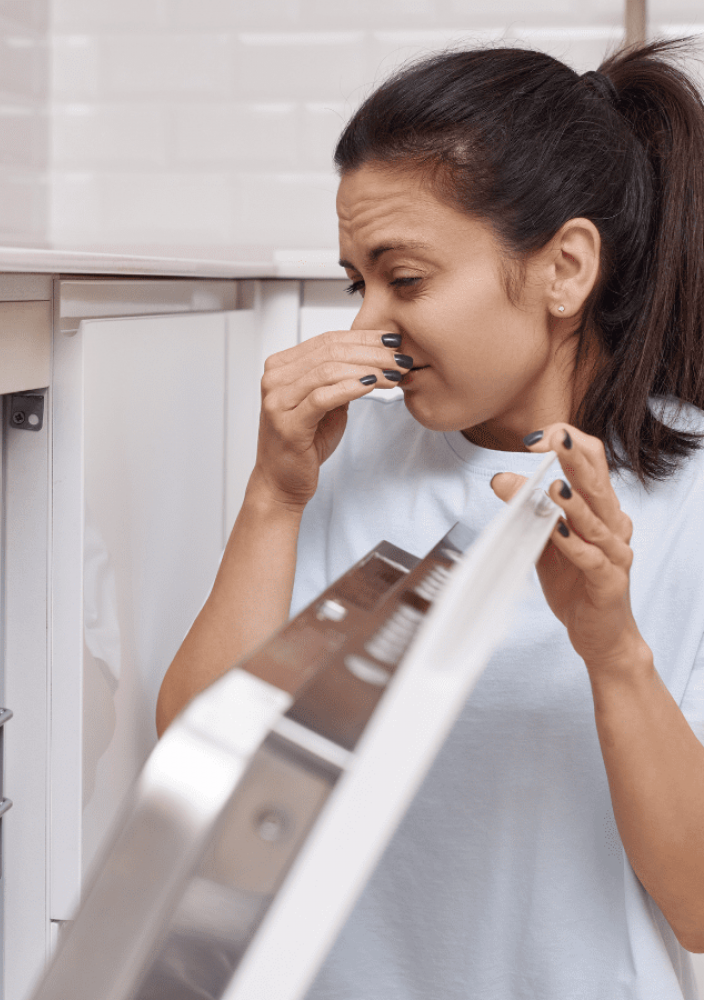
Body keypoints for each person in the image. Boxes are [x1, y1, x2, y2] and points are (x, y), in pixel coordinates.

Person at [155, 38, 704, 1000]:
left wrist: (612, 651)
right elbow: (196, 796)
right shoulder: (346, 461)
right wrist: (273, 499)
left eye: (404, 280)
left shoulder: (690, 499)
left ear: (565, 269)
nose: (367, 328)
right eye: (355, 282)